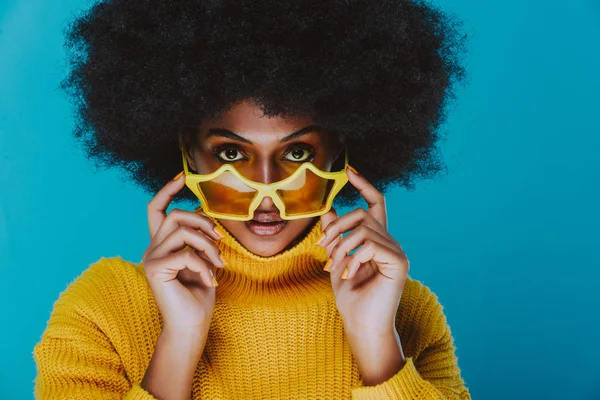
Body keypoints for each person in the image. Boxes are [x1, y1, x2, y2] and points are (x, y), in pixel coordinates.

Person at [33, 0, 470, 398]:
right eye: (231, 153)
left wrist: (377, 343)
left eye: (297, 153)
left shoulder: (406, 311)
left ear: (339, 153)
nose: (266, 187)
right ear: (189, 152)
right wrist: (179, 339)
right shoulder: (103, 310)